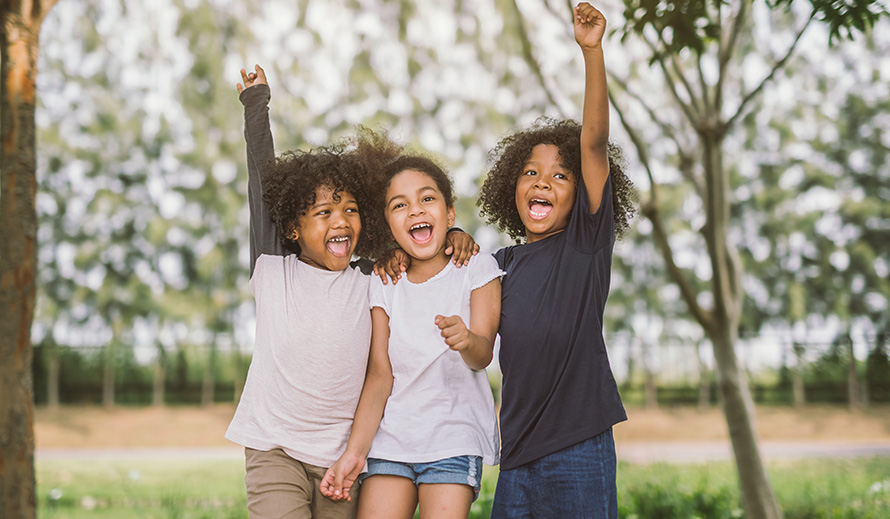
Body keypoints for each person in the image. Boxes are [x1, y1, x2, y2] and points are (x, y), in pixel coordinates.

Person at [226, 65, 478, 519]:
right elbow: (261, 180)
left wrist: (453, 233)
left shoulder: (373, 277)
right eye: (323, 212)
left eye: (351, 209)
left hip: (344, 457)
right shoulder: (272, 267)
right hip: (274, 448)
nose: (340, 220)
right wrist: (255, 103)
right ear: (292, 227)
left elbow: (415, 233)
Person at [475, 4, 636, 518]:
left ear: (578, 194)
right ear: (511, 187)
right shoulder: (496, 265)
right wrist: (454, 237)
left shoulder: (585, 245)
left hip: (579, 449)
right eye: (530, 172)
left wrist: (592, 53)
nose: (542, 181)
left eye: (560, 176)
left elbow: (592, 142)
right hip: (517, 456)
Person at [320, 155, 502, 519]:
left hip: (453, 439)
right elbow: (379, 375)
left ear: (450, 215)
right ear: (388, 225)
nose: (415, 210)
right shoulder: (384, 281)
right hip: (391, 444)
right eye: (399, 205)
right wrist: (354, 454)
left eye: (426, 199)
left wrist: (466, 339)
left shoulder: (477, 268)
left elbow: (482, 355)